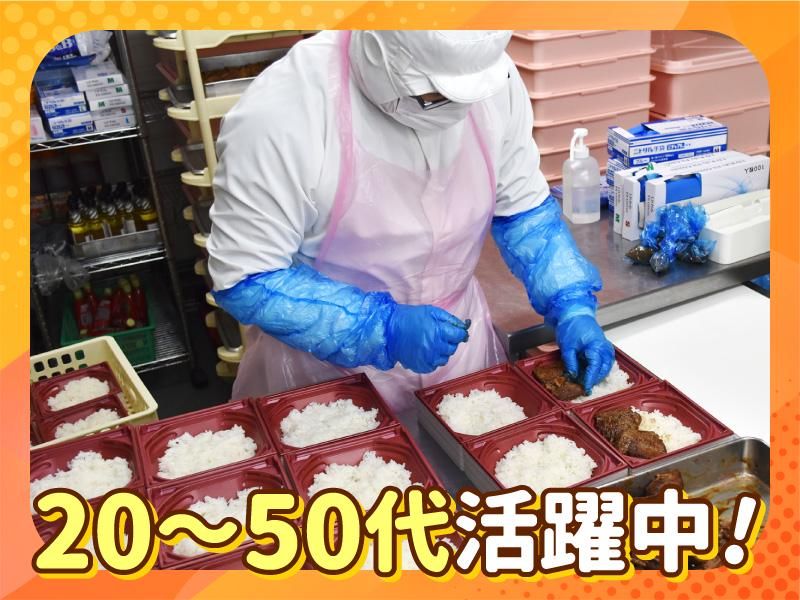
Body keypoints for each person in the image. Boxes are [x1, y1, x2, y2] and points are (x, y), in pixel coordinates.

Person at [208, 30, 614, 420]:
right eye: (433, 97)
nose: (454, 108)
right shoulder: (284, 110)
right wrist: (381, 328)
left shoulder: (489, 76)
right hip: (324, 382)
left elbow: (525, 214)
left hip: (459, 355)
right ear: (378, 47)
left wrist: (570, 301)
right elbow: (246, 277)